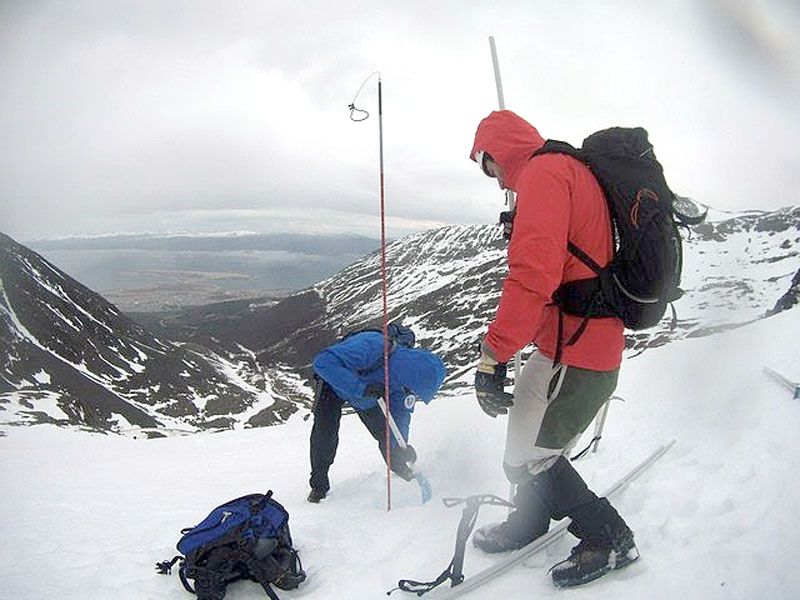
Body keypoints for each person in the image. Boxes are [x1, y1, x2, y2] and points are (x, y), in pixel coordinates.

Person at [468, 110, 637, 588]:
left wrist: (494, 354)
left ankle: (609, 537)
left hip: (580, 353)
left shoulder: (545, 174)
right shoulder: (555, 172)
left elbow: (532, 276)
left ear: (500, 152)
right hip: (558, 345)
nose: (492, 176)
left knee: (536, 458)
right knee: (518, 452)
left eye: (488, 164)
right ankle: (528, 522)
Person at [307, 323, 446, 503]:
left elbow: (400, 417)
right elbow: (322, 362)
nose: (412, 392)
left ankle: (398, 465)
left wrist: (400, 446)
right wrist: (361, 388)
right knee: (325, 434)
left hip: (368, 394)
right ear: (414, 376)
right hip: (333, 383)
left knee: (384, 433)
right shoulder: (371, 345)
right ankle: (319, 486)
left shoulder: (402, 382)